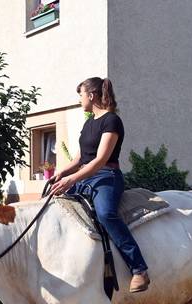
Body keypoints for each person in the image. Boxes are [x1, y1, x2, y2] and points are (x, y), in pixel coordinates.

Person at [49, 77, 150, 292]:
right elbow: (79, 159)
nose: (79, 99)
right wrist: (60, 174)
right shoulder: (89, 123)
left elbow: (99, 161)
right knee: (53, 202)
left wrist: (71, 179)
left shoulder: (111, 121)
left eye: (81, 94)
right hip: (84, 176)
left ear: (92, 96)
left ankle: (139, 269)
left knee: (106, 214)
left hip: (106, 177)